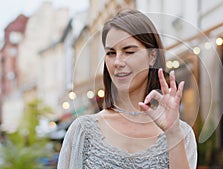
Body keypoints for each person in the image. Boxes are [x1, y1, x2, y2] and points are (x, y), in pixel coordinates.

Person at [57, 9, 197, 169]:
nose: (117, 62)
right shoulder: (82, 131)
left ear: (152, 56)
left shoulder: (181, 134)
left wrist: (172, 133)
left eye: (129, 51)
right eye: (110, 53)